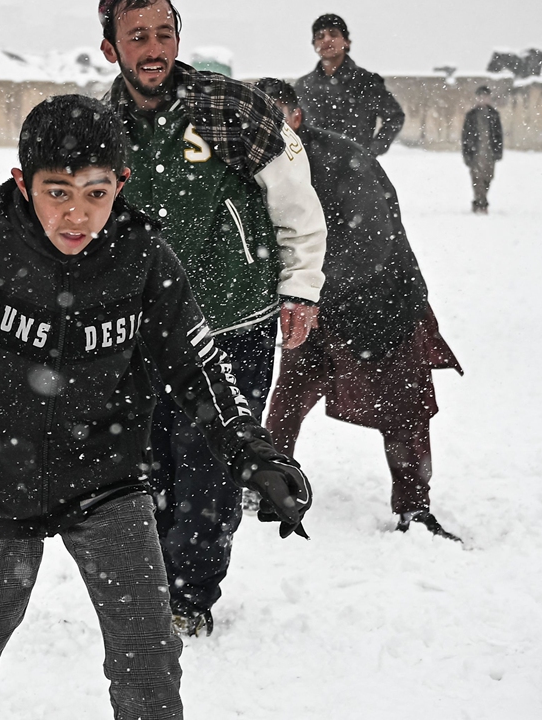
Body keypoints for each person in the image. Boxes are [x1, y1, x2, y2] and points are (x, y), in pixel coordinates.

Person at [0, 94, 312, 720]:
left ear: (121, 184)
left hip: (108, 478)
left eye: (96, 194)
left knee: (149, 659)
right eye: (57, 192)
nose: (77, 215)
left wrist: (252, 448)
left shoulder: (144, 257)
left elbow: (199, 366)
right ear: (23, 182)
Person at [98, 0, 326, 636]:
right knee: (142, 467)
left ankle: (189, 594)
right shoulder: (99, 124)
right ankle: (148, 583)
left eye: (163, 34)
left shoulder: (230, 107)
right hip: (141, 332)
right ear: (110, 49)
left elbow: (295, 197)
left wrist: (301, 287)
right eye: (136, 36)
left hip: (234, 323)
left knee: (211, 467)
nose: (153, 49)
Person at [256, 77, 464, 541]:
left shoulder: (345, 161)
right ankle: (265, 484)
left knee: (404, 412)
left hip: (382, 303)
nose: (270, 130)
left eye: (278, 118)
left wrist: (306, 292)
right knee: (289, 393)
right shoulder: (258, 169)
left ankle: (414, 507)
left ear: (297, 118)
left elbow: (371, 245)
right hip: (314, 305)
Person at [294, 13, 406, 158]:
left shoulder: (366, 82)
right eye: (320, 36)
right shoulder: (303, 86)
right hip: (314, 172)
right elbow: (293, 125)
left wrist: (372, 151)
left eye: (333, 34)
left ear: (346, 42)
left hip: (356, 172)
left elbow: (394, 117)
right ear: (314, 45)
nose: (326, 39)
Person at [461, 86, 504, 214]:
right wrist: (467, 153)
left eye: (485, 97)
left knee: (488, 178)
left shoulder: (494, 115)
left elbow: (498, 135)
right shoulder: (471, 115)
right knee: (477, 178)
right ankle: (482, 204)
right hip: (475, 152)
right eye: (480, 96)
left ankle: (478, 201)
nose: (482, 99)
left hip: (489, 152)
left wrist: (498, 151)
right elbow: (465, 136)